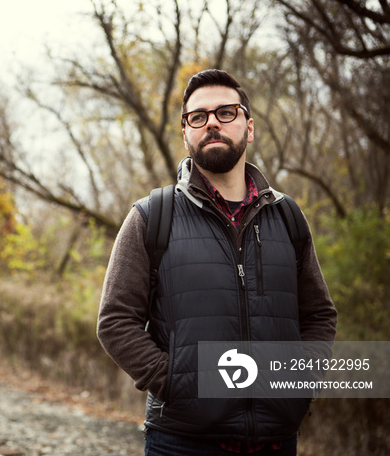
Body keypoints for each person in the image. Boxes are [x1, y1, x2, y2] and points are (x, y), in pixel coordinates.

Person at [96, 69, 337, 455]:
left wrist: (300, 381)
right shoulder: (151, 217)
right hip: (182, 442)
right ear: (186, 131)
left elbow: (320, 315)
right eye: (198, 116)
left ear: (249, 127)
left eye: (226, 112)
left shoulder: (287, 216)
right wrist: (178, 381)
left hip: (277, 440)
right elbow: (114, 322)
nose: (212, 122)